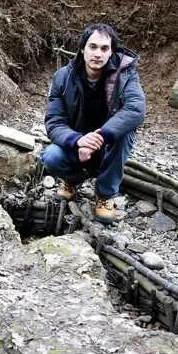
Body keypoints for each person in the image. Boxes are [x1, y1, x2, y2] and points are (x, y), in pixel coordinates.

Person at [41, 23, 145, 223]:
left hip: (107, 144)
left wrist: (100, 136)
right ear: (82, 49)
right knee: (51, 156)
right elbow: (54, 121)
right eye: (93, 47)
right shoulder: (63, 77)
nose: (98, 53)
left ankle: (105, 195)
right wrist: (78, 141)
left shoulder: (125, 73)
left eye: (104, 48)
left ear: (111, 51)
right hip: (77, 144)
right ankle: (72, 180)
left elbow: (136, 109)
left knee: (126, 131)